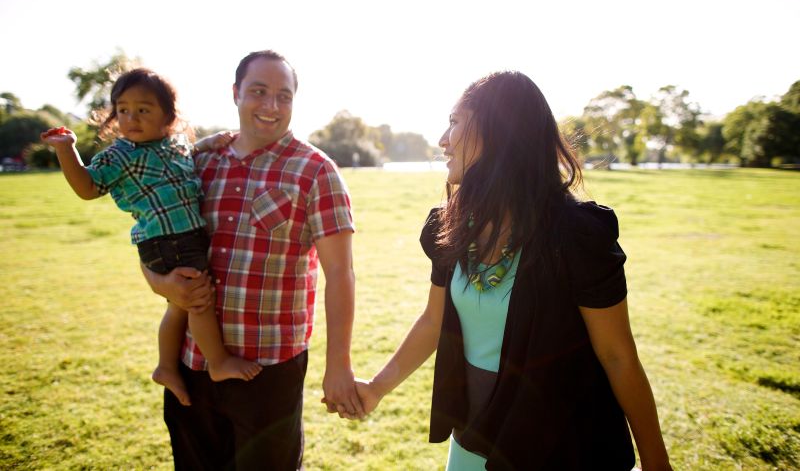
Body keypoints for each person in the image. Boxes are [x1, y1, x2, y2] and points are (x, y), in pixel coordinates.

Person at [352, 71, 672, 470]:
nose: (442, 139)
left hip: (561, 446)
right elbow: (434, 320)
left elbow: (617, 355)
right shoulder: (449, 227)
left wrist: (657, 462)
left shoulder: (576, 235)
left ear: (497, 131)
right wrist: (376, 388)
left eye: (454, 121)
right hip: (474, 437)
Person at [141, 50, 363, 470]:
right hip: (192, 365)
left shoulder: (316, 171)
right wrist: (160, 284)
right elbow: (154, 236)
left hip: (269, 371)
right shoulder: (199, 163)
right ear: (235, 94)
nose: (271, 106)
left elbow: (340, 273)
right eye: (258, 92)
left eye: (284, 96)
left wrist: (339, 366)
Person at [41, 68, 262, 409]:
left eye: (143, 109)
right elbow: (87, 187)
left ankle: (166, 366)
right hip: (167, 241)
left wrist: (207, 143)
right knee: (199, 300)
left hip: (181, 237)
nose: (131, 118)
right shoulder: (121, 156)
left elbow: (185, 156)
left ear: (168, 118)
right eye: (123, 109)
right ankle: (218, 363)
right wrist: (67, 150)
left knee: (180, 305)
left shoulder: (170, 144)